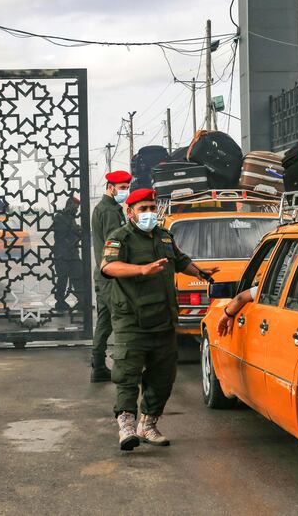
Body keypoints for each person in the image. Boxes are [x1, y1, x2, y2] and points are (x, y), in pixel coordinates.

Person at [100, 188, 219, 451]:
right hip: (132, 321)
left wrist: (201, 272)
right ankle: (127, 427)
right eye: (143, 209)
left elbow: (179, 260)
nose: (149, 213)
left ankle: (148, 424)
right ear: (129, 212)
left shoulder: (164, 236)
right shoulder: (121, 238)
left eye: (152, 208)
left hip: (164, 320)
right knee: (127, 375)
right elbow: (108, 267)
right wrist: (141, 269)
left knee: (163, 377)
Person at [90, 170, 131, 383]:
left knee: (105, 321)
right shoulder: (109, 212)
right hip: (112, 274)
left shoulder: (107, 208)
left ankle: (98, 367)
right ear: (110, 187)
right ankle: (123, 370)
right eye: (122, 188)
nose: (125, 191)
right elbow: (115, 243)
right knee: (122, 320)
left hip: (103, 274)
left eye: (126, 188)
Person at [52, 196, 83, 313]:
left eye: (77, 208)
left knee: (78, 275)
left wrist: (77, 231)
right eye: (75, 207)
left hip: (73, 254)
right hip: (62, 254)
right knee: (62, 279)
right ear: (69, 205)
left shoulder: (71, 218)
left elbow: (73, 231)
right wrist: (77, 233)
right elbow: (61, 236)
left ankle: (82, 300)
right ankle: (60, 301)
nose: (76, 210)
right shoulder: (60, 218)